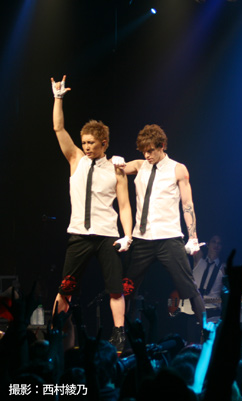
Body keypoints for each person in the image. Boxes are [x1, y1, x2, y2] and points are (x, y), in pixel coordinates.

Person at [49, 76, 132, 351]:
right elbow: (58, 128)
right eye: (84, 142)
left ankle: (119, 334)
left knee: (115, 288)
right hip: (79, 234)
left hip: (107, 234)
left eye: (91, 143)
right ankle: (55, 331)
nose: (86, 146)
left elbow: (124, 205)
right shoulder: (76, 159)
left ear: (104, 143)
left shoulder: (116, 169)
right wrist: (58, 98)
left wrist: (128, 235)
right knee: (66, 287)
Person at [117, 124, 206, 331]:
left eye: (151, 151)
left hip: (169, 237)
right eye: (144, 151)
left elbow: (187, 204)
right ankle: (121, 334)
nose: (147, 155)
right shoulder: (139, 165)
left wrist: (193, 237)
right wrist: (115, 161)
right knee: (126, 287)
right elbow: (114, 170)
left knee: (189, 287)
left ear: (162, 146)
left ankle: (207, 333)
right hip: (142, 238)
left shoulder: (178, 169)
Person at [192, 235, 225, 322]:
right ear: (208, 244)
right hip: (194, 310)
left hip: (212, 311)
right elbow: (192, 241)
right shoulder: (199, 260)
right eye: (214, 242)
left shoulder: (223, 267)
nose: (216, 245)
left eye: (219, 243)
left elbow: (224, 293)